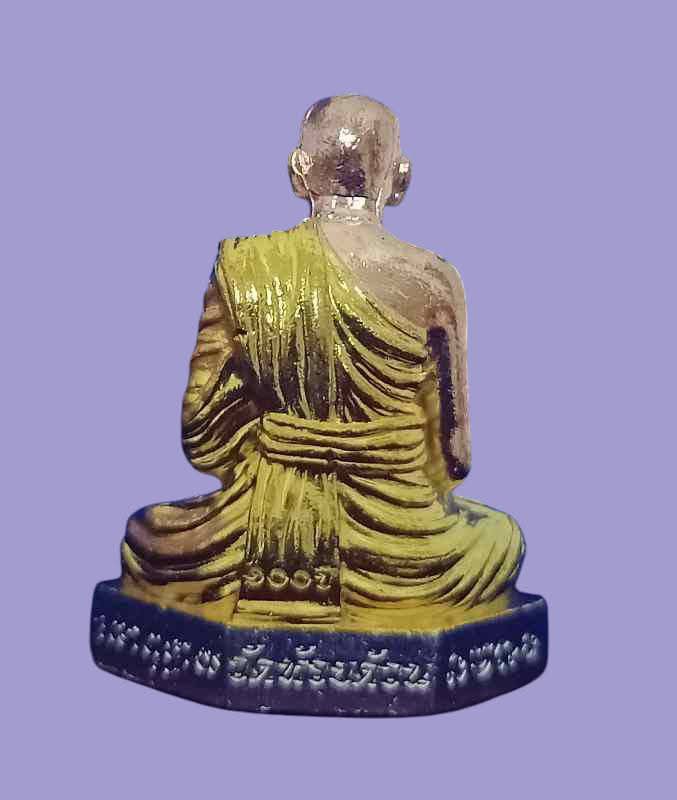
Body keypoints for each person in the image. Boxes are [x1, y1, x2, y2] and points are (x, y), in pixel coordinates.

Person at [121, 95, 524, 627]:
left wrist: (285, 443)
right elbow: (454, 458)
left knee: (148, 532)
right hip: (402, 544)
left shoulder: (246, 268)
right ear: (401, 178)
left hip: (257, 529)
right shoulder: (435, 281)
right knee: (499, 537)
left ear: (297, 171)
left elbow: (199, 433)